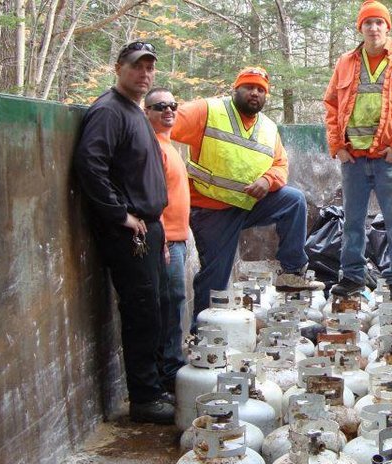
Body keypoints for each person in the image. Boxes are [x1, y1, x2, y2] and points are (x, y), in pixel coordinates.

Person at [171, 66, 322, 325]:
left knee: (293, 200)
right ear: (236, 89)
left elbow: (280, 165)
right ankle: (203, 332)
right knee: (216, 275)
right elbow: (162, 124)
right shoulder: (208, 111)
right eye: (249, 87)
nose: (255, 93)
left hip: (250, 204)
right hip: (212, 209)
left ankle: (292, 272)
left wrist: (267, 180)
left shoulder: (268, 127)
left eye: (261, 90)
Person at [74, 42, 175, 423]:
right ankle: (145, 399)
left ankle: (156, 384)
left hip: (149, 228)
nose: (145, 74)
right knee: (141, 311)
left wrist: (156, 229)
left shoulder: (133, 111)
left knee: (157, 308)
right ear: (118, 67)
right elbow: (90, 165)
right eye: (137, 67)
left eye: (150, 67)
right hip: (128, 232)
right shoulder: (107, 111)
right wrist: (121, 215)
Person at [324, 0, 392, 302]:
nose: (373, 28)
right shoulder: (346, 62)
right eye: (368, 23)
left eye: (379, 22)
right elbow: (331, 105)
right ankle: (353, 277)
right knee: (353, 222)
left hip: (388, 159)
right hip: (353, 159)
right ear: (360, 28)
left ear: (387, 27)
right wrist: (338, 147)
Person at [144, 87, 189, 392]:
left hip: (179, 239)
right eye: (159, 106)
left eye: (172, 105)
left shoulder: (169, 145)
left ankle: (171, 367)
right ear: (146, 112)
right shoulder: (152, 148)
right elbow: (151, 196)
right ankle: (168, 375)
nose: (168, 110)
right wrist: (161, 240)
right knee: (169, 305)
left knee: (174, 304)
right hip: (166, 242)